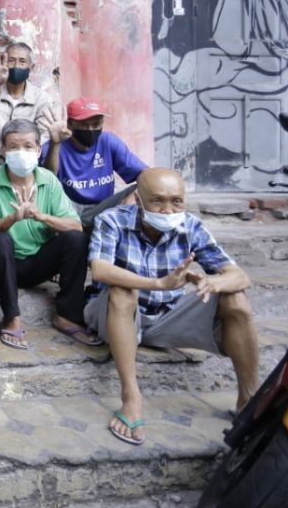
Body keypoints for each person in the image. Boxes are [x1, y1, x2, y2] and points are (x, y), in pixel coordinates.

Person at [87, 168, 259, 446]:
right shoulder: (112, 220)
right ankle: (131, 398)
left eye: (176, 201)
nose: (168, 210)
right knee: (122, 291)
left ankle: (248, 399)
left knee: (235, 297)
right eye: (157, 201)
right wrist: (159, 283)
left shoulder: (192, 226)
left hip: (166, 317)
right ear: (139, 201)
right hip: (114, 317)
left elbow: (240, 276)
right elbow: (100, 270)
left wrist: (214, 283)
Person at [0, 119, 97, 351]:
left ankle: (67, 314)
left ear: (39, 150)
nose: (21, 152)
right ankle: (11, 317)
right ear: (3, 150)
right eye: (13, 147)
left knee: (76, 239)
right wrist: (13, 218)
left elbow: (76, 226)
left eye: (28, 146)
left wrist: (42, 216)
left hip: (35, 265)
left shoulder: (48, 180)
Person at [42, 96, 148, 221]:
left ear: (102, 123)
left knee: (143, 186)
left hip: (102, 208)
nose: (90, 130)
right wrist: (55, 144)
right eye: (83, 125)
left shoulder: (108, 141)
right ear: (70, 124)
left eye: (96, 124)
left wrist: (129, 203)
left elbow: (145, 174)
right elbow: (47, 179)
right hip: (67, 209)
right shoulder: (54, 145)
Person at [0, 42, 54, 162]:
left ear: (31, 66)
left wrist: (23, 150)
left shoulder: (40, 98)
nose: (16, 66)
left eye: (22, 61)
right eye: (11, 60)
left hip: (24, 159)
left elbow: (44, 134)